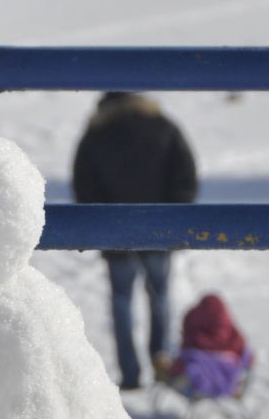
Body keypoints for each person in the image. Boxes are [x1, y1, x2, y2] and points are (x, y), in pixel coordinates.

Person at [71, 91, 199, 391]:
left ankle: (130, 374)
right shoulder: (164, 126)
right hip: (159, 230)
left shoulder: (96, 133)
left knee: (122, 302)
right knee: (160, 297)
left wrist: (100, 225)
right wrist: (172, 218)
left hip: (114, 233)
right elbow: (186, 176)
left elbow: (83, 185)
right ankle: (161, 364)